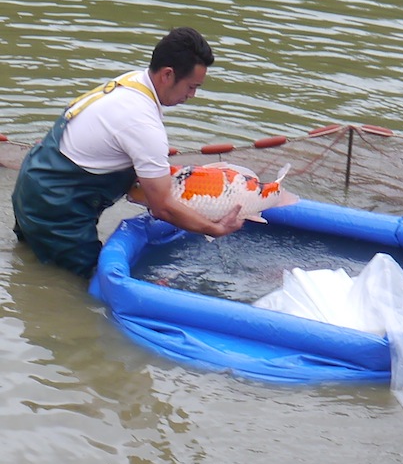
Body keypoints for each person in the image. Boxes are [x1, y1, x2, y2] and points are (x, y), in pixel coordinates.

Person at [12, 27, 244, 278]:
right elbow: (162, 208)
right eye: (191, 87)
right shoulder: (142, 121)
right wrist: (213, 228)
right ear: (168, 74)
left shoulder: (133, 83)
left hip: (31, 183)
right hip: (55, 210)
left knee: (26, 264)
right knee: (89, 288)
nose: (192, 95)